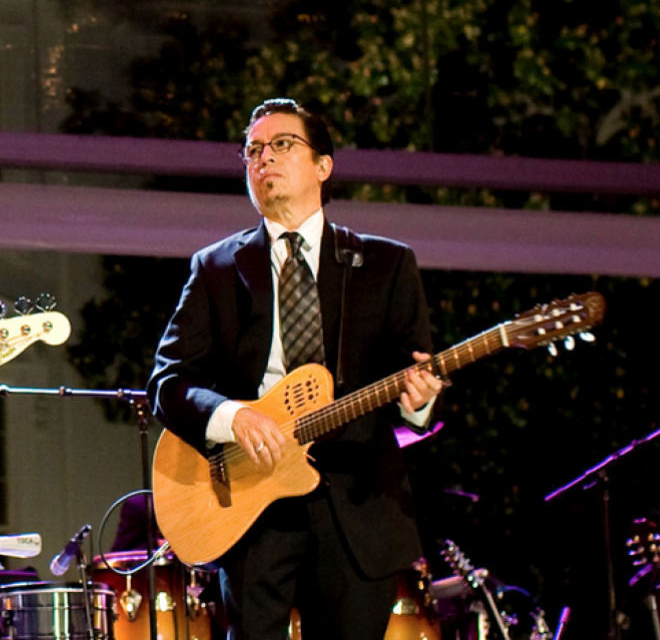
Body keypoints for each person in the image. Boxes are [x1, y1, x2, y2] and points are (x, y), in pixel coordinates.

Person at [149, 97, 445, 639]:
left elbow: (415, 374)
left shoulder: (385, 264)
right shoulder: (215, 268)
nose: (263, 159)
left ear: (323, 166)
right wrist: (233, 417)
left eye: (282, 145)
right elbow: (169, 382)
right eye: (252, 151)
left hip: (357, 502)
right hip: (251, 500)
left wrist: (419, 398)